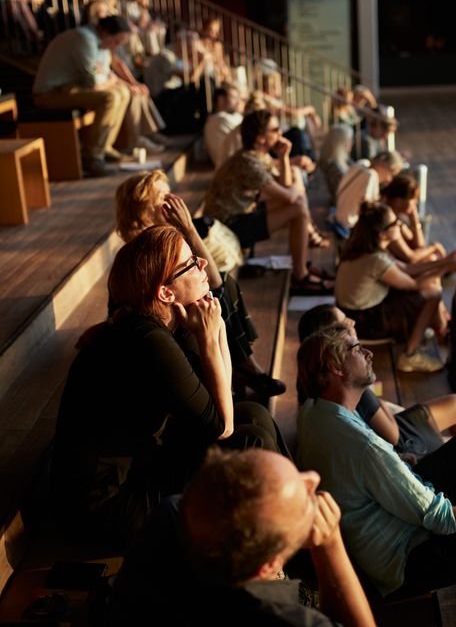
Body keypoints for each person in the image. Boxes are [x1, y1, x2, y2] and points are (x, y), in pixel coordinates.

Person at [50, 225, 288, 543]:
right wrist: (211, 337)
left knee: (253, 415)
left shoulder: (165, 324)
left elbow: (227, 398)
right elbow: (222, 426)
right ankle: (283, 539)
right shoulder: (146, 339)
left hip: (143, 465)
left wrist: (215, 328)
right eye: (191, 263)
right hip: (109, 505)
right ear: (165, 292)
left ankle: (295, 518)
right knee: (250, 443)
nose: (203, 263)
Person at [296, 324, 456, 605]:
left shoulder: (313, 410)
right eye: (357, 349)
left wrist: (396, 462)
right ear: (335, 367)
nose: (368, 353)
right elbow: (440, 519)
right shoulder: (365, 447)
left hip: (395, 516)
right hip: (408, 558)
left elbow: (357, 470)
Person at [106, 446, 377, 626]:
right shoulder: (283, 618)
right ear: (270, 566)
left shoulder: (171, 514)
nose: (313, 478)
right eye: (305, 498)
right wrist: (330, 544)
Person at [114, 170, 286, 399]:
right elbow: (212, 283)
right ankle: (241, 371)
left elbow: (214, 278)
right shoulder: (145, 252)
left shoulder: (166, 238)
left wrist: (188, 228)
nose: (173, 202)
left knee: (225, 284)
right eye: (164, 198)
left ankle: (244, 367)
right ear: (143, 210)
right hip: (164, 325)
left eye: (171, 194)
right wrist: (188, 228)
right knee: (215, 295)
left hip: (175, 312)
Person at [297, 304, 456, 459]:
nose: (352, 323)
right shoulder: (348, 388)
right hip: (401, 444)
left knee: (455, 406)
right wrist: (371, 391)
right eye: (344, 323)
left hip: (389, 432)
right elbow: (393, 435)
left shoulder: (312, 381)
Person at [203, 109, 333, 296]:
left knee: (298, 205)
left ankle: (301, 269)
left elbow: (285, 186)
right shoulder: (248, 162)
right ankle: (300, 275)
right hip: (227, 227)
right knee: (297, 206)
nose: (281, 133)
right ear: (261, 138)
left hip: (240, 214)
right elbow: (289, 195)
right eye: (275, 129)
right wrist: (298, 181)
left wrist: (284, 157)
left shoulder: (258, 156)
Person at [335, 201, 456, 372]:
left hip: (352, 313)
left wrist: (446, 261)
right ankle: (410, 355)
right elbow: (414, 284)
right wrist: (446, 267)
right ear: (383, 234)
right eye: (394, 223)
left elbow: (407, 268)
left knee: (428, 283)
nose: (399, 224)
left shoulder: (367, 248)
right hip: (364, 323)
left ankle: (437, 328)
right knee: (434, 293)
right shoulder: (376, 259)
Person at [32, 14, 132, 177]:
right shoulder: (84, 38)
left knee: (123, 92)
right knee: (110, 97)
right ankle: (93, 157)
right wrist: (107, 78)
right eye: (115, 42)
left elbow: (103, 75)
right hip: (49, 93)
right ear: (106, 32)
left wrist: (105, 77)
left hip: (70, 88)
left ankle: (105, 147)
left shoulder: (100, 42)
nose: (115, 47)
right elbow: (93, 82)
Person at [81, 0, 168, 155]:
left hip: (106, 81)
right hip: (97, 85)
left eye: (107, 12)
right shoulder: (92, 39)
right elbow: (107, 72)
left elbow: (117, 64)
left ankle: (149, 133)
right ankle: (136, 139)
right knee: (129, 92)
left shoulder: (104, 39)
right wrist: (128, 85)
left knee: (139, 90)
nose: (106, 16)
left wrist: (134, 83)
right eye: (101, 13)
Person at [380, 173, 446, 263]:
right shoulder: (386, 220)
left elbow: (419, 246)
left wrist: (414, 220)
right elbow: (411, 258)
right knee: (430, 259)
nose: (416, 203)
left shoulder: (397, 218)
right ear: (399, 201)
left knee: (430, 258)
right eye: (414, 199)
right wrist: (434, 247)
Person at [335, 150, 404, 232]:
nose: (389, 180)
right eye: (391, 174)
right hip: (349, 224)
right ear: (384, 166)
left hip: (338, 215)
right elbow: (368, 208)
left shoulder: (362, 163)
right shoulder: (371, 176)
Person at [203, 84, 244, 168]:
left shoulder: (217, 119)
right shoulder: (221, 119)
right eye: (233, 97)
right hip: (233, 166)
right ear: (220, 99)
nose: (238, 101)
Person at [319, 123, 354, 205]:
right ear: (341, 143)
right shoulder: (332, 167)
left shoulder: (346, 160)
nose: (351, 143)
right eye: (349, 140)